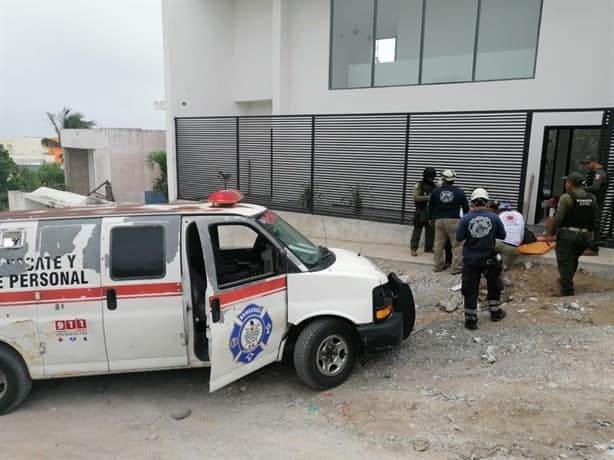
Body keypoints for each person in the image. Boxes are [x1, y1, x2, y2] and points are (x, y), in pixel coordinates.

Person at [456, 188, 507, 330]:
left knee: (470, 289)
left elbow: (459, 238)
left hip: (471, 260)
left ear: (472, 203)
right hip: (489, 259)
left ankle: (471, 321)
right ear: (487, 202)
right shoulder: (495, 218)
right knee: (494, 285)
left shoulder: (466, 218)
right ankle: (495, 313)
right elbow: (503, 236)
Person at [544, 172, 598, 296]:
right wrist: (591, 233)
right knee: (573, 259)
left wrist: (551, 233)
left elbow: (558, 218)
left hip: (569, 234)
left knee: (564, 261)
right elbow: (594, 218)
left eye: (567, 181)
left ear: (571, 184)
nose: (565, 183)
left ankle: (567, 290)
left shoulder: (566, 197)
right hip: (583, 236)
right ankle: (565, 279)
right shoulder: (591, 197)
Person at [427, 169, 469, 274]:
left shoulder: (436, 191)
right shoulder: (460, 192)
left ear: (443, 179)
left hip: (439, 221)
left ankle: (438, 267)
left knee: (438, 245)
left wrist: (430, 218)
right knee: (457, 245)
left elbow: (430, 206)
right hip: (454, 221)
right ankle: (456, 268)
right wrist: (465, 220)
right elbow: (466, 208)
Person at [581, 154, 608, 255]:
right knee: (589, 223)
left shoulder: (599, 173)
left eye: (588, 163)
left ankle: (593, 248)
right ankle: (589, 245)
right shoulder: (594, 172)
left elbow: (595, 187)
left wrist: (581, 189)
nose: (586, 166)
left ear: (594, 162)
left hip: (597, 202)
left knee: (594, 224)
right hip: (592, 201)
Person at [410, 167, 437, 256]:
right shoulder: (419, 185)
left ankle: (428, 248)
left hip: (430, 212)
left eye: (432, 177)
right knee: (417, 230)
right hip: (420, 211)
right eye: (430, 177)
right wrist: (428, 197)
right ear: (425, 176)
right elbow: (415, 197)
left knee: (431, 231)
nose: (431, 179)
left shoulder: (435, 186)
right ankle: (413, 249)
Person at [494, 201, 525, 270]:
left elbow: (494, 232)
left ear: (499, 209)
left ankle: (495, 257)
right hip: (511, 247)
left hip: (497, 243)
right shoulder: (519, 215)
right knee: (502, 268)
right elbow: (522, 234)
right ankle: (500, 262)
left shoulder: (499, 216)